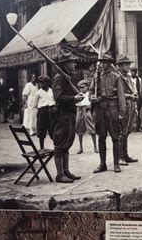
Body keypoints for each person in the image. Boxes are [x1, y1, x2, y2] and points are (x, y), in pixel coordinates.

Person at [89, 52, 126, 173]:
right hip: (100, 109)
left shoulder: (116, 77)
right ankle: (102, 164)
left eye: (106, 62)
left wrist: (121, 113)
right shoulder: (96, 77)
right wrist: (92, 98)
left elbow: (121, 96)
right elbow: (90, 93)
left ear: (110, 64)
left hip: (112, 109)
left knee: (115, 137)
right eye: (102, 62)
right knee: (101, 137)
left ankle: (116, 164)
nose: (103, 64)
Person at [52, 52, 84, 183]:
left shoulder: (67, 77)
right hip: (62, 115)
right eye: (72, 61)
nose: (75, 63)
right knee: (60, 143)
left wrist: (76, 98)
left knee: (67, 141)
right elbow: (58, 97)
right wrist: (74, 98)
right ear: (66, 64)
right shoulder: (59, 78)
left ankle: (66, 171)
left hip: (70, 113)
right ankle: (60, 174)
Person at [116, 54, 140, 166]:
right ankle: (119, 157)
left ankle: (125, 154)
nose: (128, 66)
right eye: (125, 64)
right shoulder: (118, 77)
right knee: (121, 132)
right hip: (123, 105)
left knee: (127, 131)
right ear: (119, 66)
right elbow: (118, 94)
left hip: (131, 104)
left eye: (128, 64)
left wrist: (134, 105)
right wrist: (130, 96)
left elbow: (133, 90)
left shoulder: (128, 77)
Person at [75, 70, 98, 155]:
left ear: (87, 87)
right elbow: (75, 103)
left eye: (83, 87)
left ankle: (95, 146)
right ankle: (80, 147)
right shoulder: (78, 94)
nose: (81, 89)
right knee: (79, 129)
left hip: (87, 111)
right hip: (79, 111)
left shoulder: (90, 94)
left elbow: (93, 102)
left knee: (92, 129)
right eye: (80, 87)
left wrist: (90, 106)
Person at [33, 75, 56, 150]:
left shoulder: (51, 91)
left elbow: (55, 101)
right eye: (40, 83)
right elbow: (35, 105)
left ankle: (56, 148)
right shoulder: (38, 93)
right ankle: (41, 148)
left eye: (44, 83)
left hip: (51, 111)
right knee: (41, 131)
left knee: (52, 130)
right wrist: (43, 108)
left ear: (47, 83)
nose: (42, 84)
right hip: (42, 112)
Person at [130, 66, 142, 132]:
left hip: (137, 96)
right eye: (132, 71)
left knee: (138, 112)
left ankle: (138, 127)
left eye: (135, 71)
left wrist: (140, 97)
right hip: (130, 96)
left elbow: (140, 89)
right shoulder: (129, 79)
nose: (134, 73)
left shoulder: (139, 79)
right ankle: (130, 127)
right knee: (130, 111)